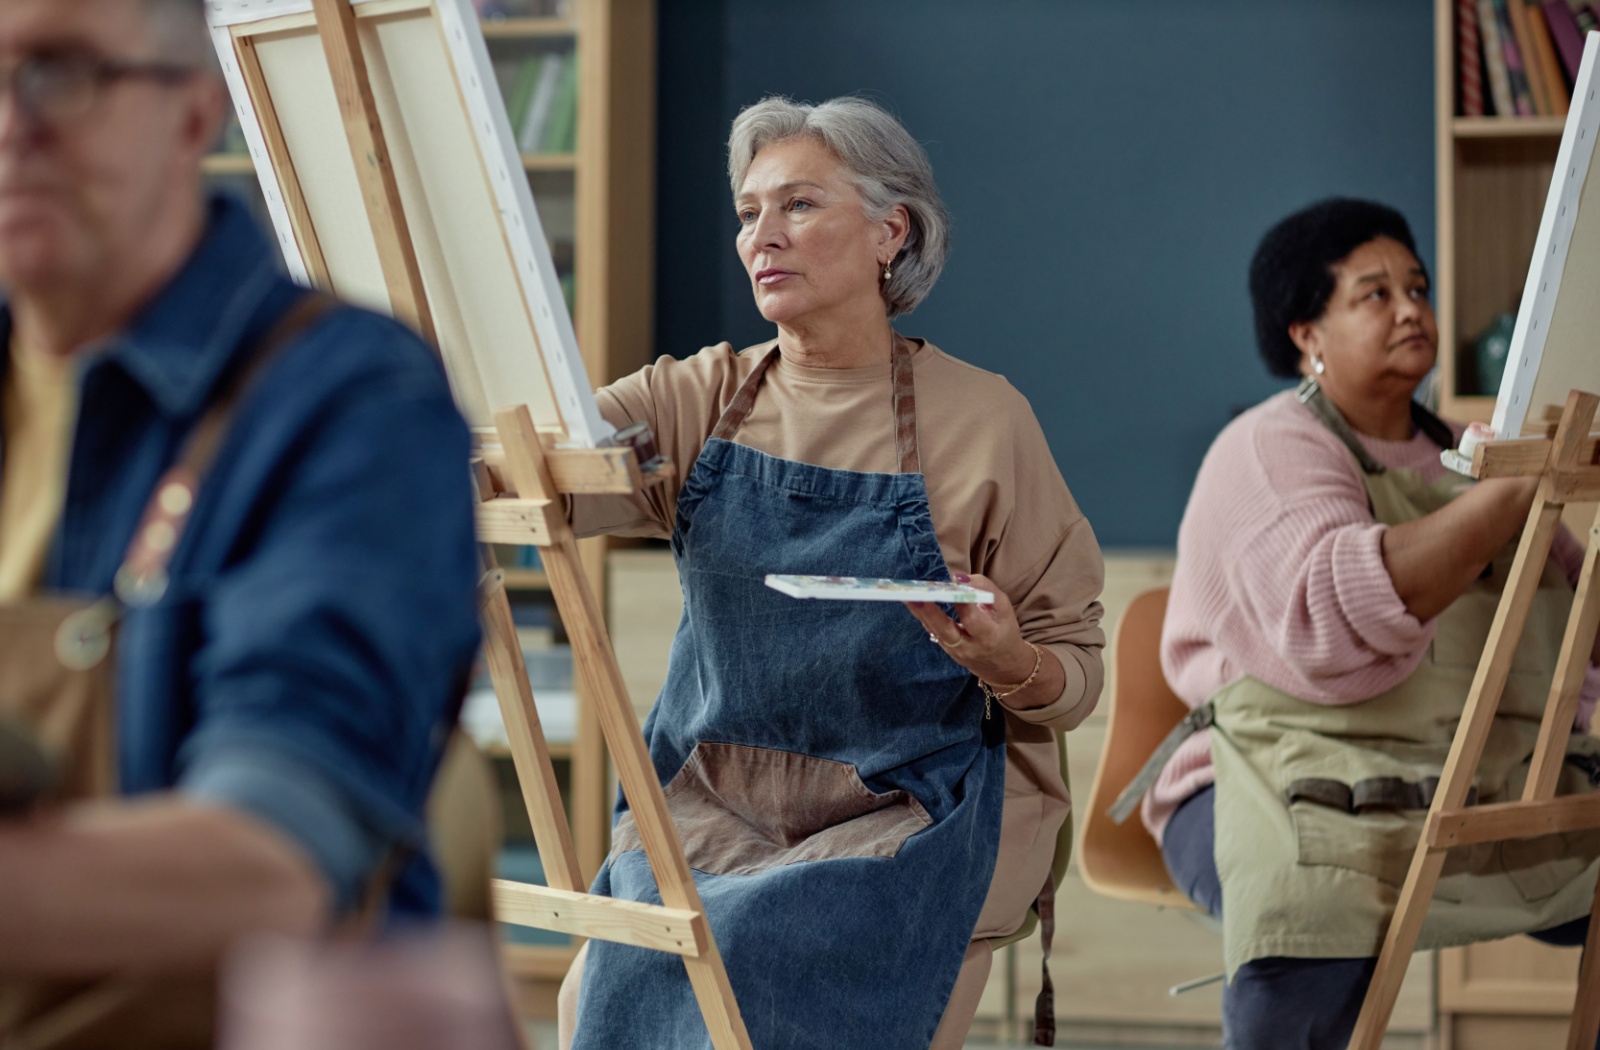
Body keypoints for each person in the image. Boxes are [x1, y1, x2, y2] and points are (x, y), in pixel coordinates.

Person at [557, 96, 1105, 1049]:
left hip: (912, 815)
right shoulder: (694, 400)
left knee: (752, 963)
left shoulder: (985, 421)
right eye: (748, 212)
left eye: (799, 205)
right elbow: (546, 467)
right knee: (608, 985)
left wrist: (1010, 658)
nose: (762, 236)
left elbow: (1073, 673)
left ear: (892, 230)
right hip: (715, 801)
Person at [0, 0, 481, 1043]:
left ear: (192, 113)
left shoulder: (348, 403)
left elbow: (277, 862)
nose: (10, 123)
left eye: (60, 73)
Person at [1138, 197, 1600, 1050]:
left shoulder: (1477, 451)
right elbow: (1333, 621)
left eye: (1417, 287)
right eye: (1374, 294)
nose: (1411, 308)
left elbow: (1575, 613)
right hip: (1277, 775)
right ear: (1305, 332)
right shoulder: (1267, 447)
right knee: (1311, 911)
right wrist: (1511, 492)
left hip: (1464, 777)